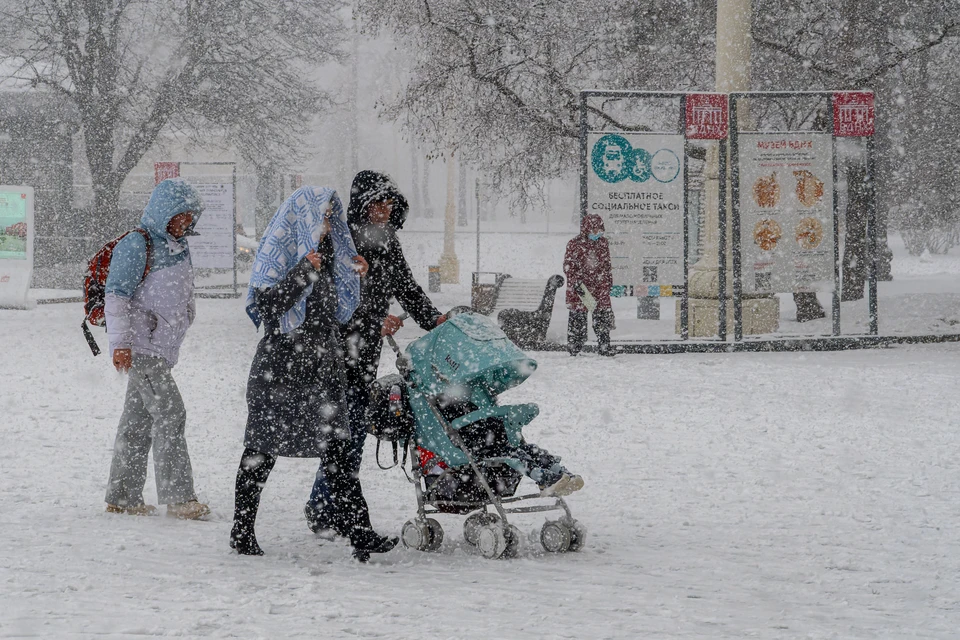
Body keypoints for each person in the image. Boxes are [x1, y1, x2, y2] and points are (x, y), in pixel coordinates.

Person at [230, 186, 391, 559]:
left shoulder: (334, 255)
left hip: (322, 367)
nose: (328, 224)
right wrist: (305, 270)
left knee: (337, 451)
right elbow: (268, 307)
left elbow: (341, 312)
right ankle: (241, 530)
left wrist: (361, 277)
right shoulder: (281, 253)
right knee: (260, 451)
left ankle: (359, 530)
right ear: (302, 217)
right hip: (281, 366)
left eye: (332, 217)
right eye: (323, 216)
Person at [304, 170, 445, 538]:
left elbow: (407, 287)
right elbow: (334, 296)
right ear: (364, 204)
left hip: (366, 353)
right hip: (338, 349)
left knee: (352, 435)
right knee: (343, 435)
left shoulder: (388, 241)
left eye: (390, 202)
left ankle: (326, 504)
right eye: (379, 201)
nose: (385, 208)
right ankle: (324, 509)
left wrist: (435, 320)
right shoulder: (341, 240)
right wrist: (372, 318)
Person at [103, 178, 210, 520]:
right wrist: (120, 344)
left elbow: (182, 293)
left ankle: (122, 496)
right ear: (164, 212)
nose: (186, 222)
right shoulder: (137, 244)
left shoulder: (180, 246)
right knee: (170, 413)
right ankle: (180, 498)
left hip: (159, 347)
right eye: (181, 215)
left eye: (190, 216)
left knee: (137, 421)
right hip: (141, 347)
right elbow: (116, 297)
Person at [564, 214, 615, 356]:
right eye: (594, 230)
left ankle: (604, 345)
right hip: (581, 288)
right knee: (578, 317)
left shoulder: (603, 243)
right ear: (587, 229)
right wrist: (577, 283)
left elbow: (606, 265)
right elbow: (569, 266)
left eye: (599, 229)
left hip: (599, 286)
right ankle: (575, 345)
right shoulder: (574, 244)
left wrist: (607, 283)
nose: (597, 233)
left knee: (602, 316)